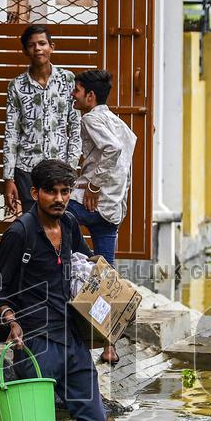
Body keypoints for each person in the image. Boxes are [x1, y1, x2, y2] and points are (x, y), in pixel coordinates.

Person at [0, 159, 106, 421]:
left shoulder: (69, 224)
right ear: (35, 192)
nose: (58, 198)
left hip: (71, 340)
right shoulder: (20, 234)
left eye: (65, 191)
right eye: (51, 191)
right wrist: (11, 319)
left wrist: (107, 326)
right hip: (35, 342)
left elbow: (86, 267)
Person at [67, 69, 137, 365]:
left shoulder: (91, 118)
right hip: (112, 210)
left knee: (50, 218)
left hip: (88, 203)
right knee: (106, 275)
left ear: (90, 96)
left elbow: (113, 149)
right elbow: (127, 149)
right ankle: (109, 345)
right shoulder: (117, 121)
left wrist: (94, 184)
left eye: (78, 90)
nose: (73, 95)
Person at [3, 25, 82, 216]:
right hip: (27, 169)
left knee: (60, 225)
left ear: (51, 47)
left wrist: (70, 168)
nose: (37, 48)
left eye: (42, 43)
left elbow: (76, 126)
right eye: (31, 45)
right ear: (25, 51)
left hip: (60, 168)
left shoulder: (68, 80)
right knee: (32, 225)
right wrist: (8, 179)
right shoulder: (17, 86)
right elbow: (11, 133)